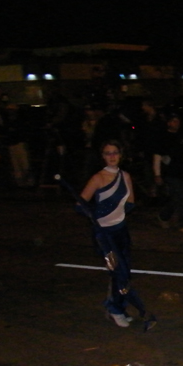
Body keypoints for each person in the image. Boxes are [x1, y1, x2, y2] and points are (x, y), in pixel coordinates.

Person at [79, 140, 138, 327]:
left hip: (121, 232)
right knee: (116, 272)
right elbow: (81, 205)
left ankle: (119, 307)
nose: (112, 156)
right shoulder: (98, 178)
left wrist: (118, 213)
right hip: (104, 235)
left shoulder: (125, 176)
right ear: (102, 156)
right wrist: (97, 214)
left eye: (115, 153)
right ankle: (114, 309)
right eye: (107, 153)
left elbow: (130, 204)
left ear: (120, 155)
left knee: (125, 272)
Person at [154, 111, 183, 232]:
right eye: (173, 121)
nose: (176, 123)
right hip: (170, 173)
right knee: (178, 198)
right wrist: (157, 174)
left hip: (182, 172)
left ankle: (164, 216)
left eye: (177, 121)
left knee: (178, 198)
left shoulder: (182, 137)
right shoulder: (163, 138)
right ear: (168, 123)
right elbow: (157, 157)